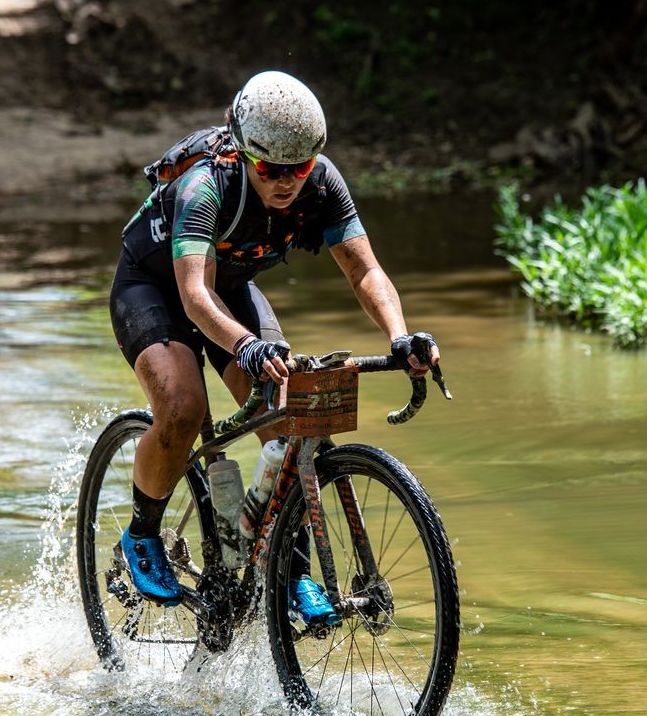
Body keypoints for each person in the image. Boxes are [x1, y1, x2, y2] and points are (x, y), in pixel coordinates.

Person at [108, 70, 439, 624]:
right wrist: (247, 346)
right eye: (272, 170)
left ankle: (290, 570)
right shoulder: (205, 188)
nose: (287, 181)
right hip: (155, 288)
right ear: (243, 154)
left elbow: (364, 271)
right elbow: (193, 296)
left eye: (300, 168)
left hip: (230, 288)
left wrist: (400, 336)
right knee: (184, 406)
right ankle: (142, 535)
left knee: (290, 420)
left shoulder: (323, 184)